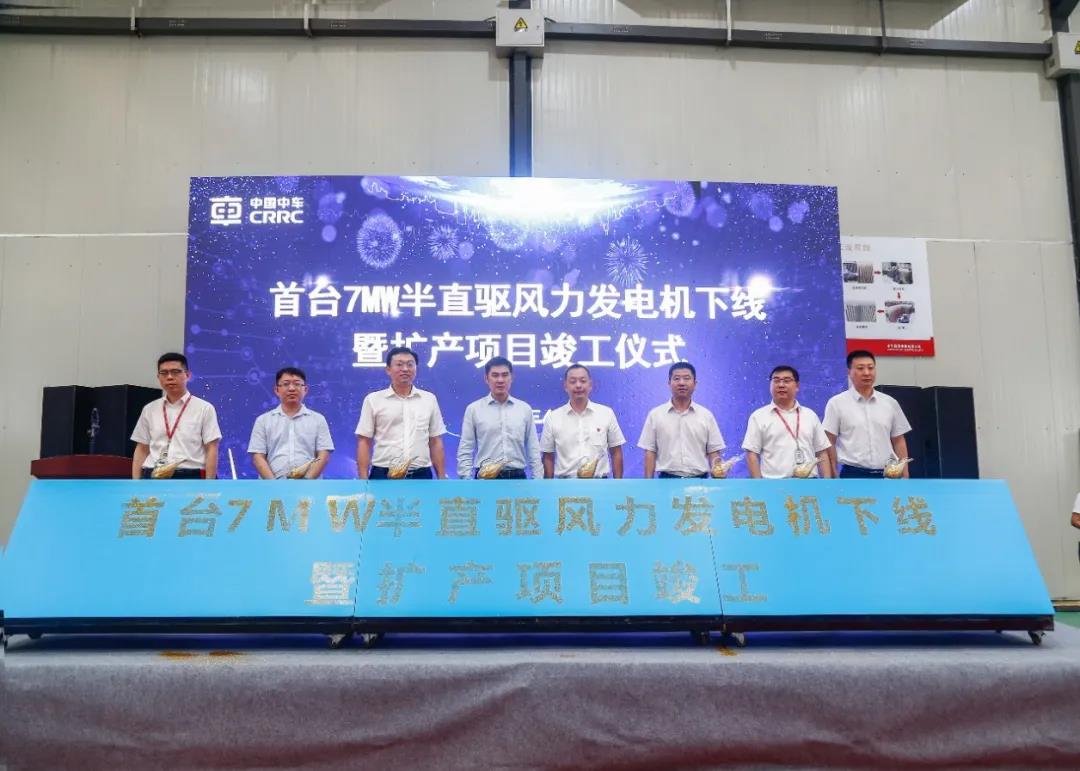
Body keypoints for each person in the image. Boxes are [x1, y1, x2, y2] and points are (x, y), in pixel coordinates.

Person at [355, 346, 447, 479]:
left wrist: (442, 478)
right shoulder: (373, 400)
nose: (405, 369)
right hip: (383, 474)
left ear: (416, 369)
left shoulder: (429, 399)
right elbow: (364, 441)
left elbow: (435, 441)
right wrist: (363, 480)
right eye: (399, 364)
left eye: (410, 364)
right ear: (388, 369)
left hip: (420, 475)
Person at [131, 352, 222, 480]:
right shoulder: (149, 409)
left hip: (190, 477)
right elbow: (142, 449)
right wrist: (135, 483)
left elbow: (211, 448)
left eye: (175, 372)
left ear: (188, 375)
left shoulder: (204, 408)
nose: (169, 377)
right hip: (153, 476)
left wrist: (209, 484)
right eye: (164, 373)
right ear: (158, 377)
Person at [822, 350, 912, 478]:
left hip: (888, 473)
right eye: (860, 368)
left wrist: (905, 474)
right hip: (853, 474)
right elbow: (829, 441)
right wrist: (833, 471)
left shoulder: (890, 403)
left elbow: (898, 440)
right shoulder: (836, 403)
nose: (866, 373)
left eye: (870, 368)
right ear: (849, 372)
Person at [457, 356, 543, 480]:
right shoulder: (474, 409)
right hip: (485, 477)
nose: (500, 380)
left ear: (511, 378)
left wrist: (538, 479)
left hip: (517, 478)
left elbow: (533, 447)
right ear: (486, 378)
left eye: (505, 375)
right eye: (495, 375)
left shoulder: (524, 409)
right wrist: (465, 480)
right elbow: (466, 447)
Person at [742, 365, 832, 479]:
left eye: (787, 380)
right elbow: (752, 454)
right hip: (773, 483)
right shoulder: (758, 416)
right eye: (776, 381)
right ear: (770, 385)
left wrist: (827, 483)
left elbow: (821, 452)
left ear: (797, 386)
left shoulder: (810, 415)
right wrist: (759, 484)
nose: (781, 385)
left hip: (810, 483)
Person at [637, 361, 725, 478]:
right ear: (669, 383)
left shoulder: (706, 415)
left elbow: (713, 452)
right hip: (666, 481)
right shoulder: (655, 415)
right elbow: (650, 452)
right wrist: (648, 484)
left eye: (687, 378)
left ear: (695, 384)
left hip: (700, 480)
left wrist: (718, 475)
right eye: (677, 378)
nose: (681, 383)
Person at [540, 364, 625, 479]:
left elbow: (616, 452)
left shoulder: (606, 413)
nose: (578, 385)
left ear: (590, 385)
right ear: (565, 386)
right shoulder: (553, 417)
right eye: (573, 381)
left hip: (600, 484)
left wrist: (618, 485)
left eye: (583, 381)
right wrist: (548, 486)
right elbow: (548, 457)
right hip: (565, 484)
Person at [247, 367, 334, 479]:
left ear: (305, 389)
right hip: (272, 485)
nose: (291, 388)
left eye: (297, 384)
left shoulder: (318, 419)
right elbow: (258, 456)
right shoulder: (263, 421)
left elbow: (323, 455)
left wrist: (307, 482)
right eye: (286, 384)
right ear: (276, 390)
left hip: (310, 486)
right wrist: (273, 485)